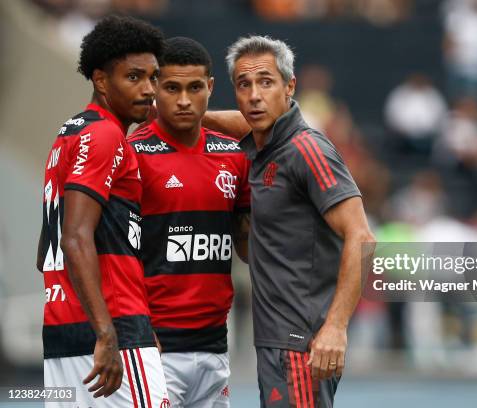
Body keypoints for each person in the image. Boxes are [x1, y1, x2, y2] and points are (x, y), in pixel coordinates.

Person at [226, 35, 376, 407]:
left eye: (266, 82)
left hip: (302, 343)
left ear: (289, 87)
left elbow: (362, 237)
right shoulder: (261, 143)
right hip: (276, 340)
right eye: (244, 85)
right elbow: (234, 121)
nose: (255, 95)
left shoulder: (306, 149)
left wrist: (336, 327)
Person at [36, 15, 170, 407]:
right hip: (111, 329)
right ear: (100, 81)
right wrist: (109, 333)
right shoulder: (105, 135)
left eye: (153, 77)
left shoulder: (71, 133)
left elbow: (49, 247)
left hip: (63, 331)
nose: (149, 90)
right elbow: (74, 236)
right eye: (134, 78)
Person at [128, 37, 251, 408]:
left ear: (210, 88)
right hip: (155, 347)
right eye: (172, 88)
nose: (184, 100)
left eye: (195, 88)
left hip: (215, 347)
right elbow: (115, 256)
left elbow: (247, 246)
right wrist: (133, 332)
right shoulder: (134, 156)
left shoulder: (233, 155)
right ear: (154, 90)